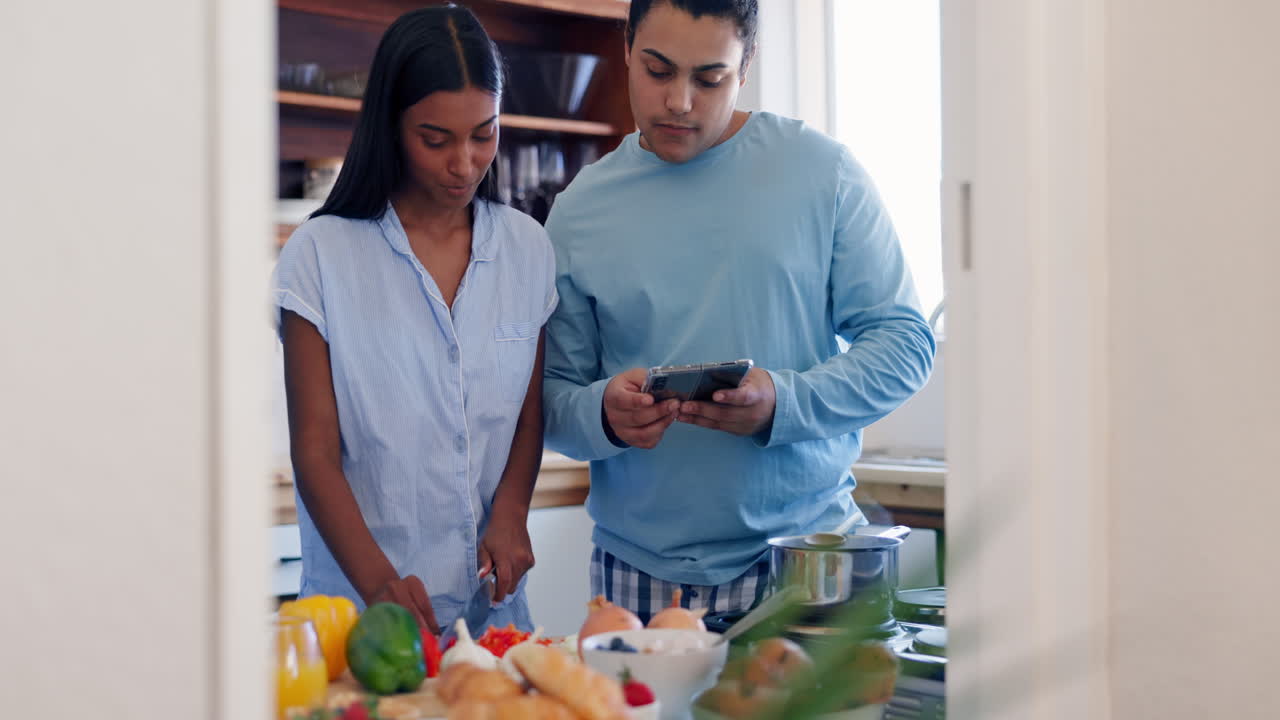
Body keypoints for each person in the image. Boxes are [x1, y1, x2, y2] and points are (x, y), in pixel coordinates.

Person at [542, 0, 935, 622]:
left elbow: (906, 345)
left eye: (709, 78)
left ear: (746, 65)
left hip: (809, 559)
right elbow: (551, 400)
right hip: (637, 574)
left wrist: (782, 401)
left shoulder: (822, 172)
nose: (679, 101)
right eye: (658, 70)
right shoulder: (577, 211)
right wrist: (604, 415)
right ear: (627, 49)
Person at [273, 4, 556, 635]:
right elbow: (314, 453)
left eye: (484, 134)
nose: (465, 163)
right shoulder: (319, 256)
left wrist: (512, 509)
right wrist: (379, 584)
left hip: (494, 615)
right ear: (391, 126)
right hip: (361, 620)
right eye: (436, 139)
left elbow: (527, 414)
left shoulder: (527, 248)